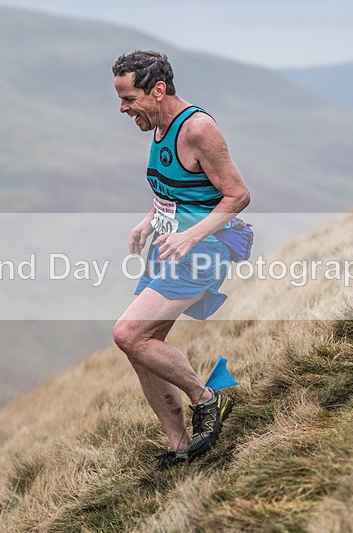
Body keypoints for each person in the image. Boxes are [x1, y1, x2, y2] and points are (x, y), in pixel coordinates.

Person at [111, 50, 250, 470]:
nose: (122, 109)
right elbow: (176, 190)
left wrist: (190, 236)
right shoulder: (156, 127)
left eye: (128, 98)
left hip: (206, 246)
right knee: (140, 347)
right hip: (170, 247)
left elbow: (237, 195)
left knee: (128, 333)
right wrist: (148, 219)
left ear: (157, 90)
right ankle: (179, 444)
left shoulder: (198, 129)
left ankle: (207, 397)